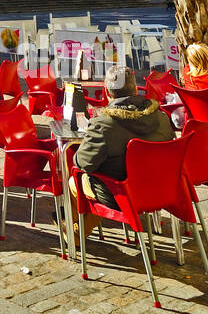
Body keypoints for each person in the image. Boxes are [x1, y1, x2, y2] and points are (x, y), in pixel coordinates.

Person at [70, 66, 174, 236]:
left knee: (75, 181)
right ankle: (76, 230)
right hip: (161, 189)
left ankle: (75, 235)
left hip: (123, 195)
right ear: (135, 88)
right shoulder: (162, 118)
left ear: (106, 92)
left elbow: (84, 163)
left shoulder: (103, 124)